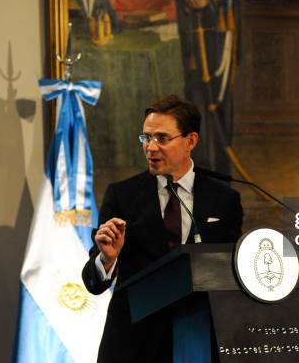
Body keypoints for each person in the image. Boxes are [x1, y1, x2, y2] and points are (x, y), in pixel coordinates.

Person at [81, 94, 243, 362]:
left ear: (190, 141)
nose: (151, 147)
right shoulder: (122, 195)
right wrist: (107, 259)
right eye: (146, 138)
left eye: (162, 138)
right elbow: (93, 282)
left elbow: (230, 270)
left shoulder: (224, 200)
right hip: (134, 344)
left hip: (201, 340)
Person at [158, 0, 250, 175]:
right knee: (194, 90)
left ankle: (220, 173)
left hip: (220, 12)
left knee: (218, 92)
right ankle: (196, 169)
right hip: (189, 11)